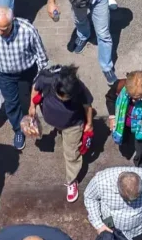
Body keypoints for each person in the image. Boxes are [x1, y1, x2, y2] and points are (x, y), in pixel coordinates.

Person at [0, 6, 50, 151]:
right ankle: (18, 129)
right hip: (3, 74)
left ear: (13, 21)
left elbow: (41, 55)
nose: (0, 33)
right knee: (11, 102)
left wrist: (41, 77)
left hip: (26, 73)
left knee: (25, 100)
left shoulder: (28, 30)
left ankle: (29, 120)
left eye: (4, 29)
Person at [27, 65, 94, 202]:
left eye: (66, 98)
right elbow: (36, 87)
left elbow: (88, 106)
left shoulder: (80, 89)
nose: (63, 100)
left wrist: (89, 124)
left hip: (73, 125)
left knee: (71, 154)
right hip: (53, 120)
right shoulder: (47, 79)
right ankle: (60, 128)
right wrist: (32, 106)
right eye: (60, 96)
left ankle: (72, 180)